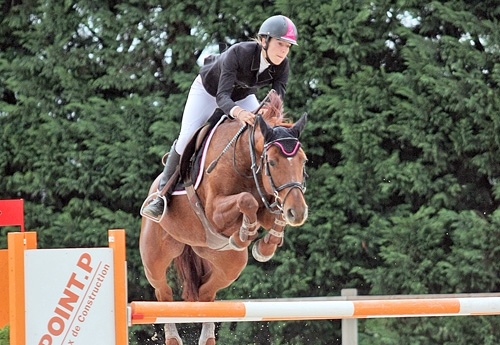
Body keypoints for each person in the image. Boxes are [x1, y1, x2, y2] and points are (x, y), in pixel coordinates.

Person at [142, 14, 298, 219]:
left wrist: (268, 119)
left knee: (261, 132)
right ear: (263, 40)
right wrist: (240, 113)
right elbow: (222, 96)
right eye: (280, 44)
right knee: (187, 136)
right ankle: (161, 196)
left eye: (287, 47)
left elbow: (276, 101)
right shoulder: (239, 53)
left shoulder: (282, 65)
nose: (283, 51)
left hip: (243, 96)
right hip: (208, 92)